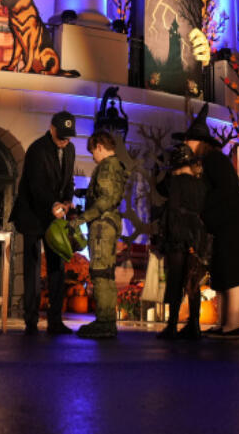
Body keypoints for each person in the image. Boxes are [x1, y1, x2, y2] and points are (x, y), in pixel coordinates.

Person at [180, 106, 239, 338]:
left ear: (198, 141)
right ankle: (225, 323)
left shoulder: (213, 159)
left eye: (189, 141)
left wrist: (205, 211)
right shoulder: (210, 160)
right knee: (224, 270)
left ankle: (232, 325)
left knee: (234, 270)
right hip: (231, 218)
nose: (186, 145)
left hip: (237, 219)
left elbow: (225, 190)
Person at [12, 111, 77, 335]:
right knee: (32, 268)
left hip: (55, 216)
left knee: (57, 267)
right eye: (61, 136)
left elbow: (69, 179)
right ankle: (31, 320)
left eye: (68, 137)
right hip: (32, 215)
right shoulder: (37, 149)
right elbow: (35, 186)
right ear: (51, 129)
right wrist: (53, 204)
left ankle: (55, 320)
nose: (64, 141)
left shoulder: (70, 149)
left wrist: (68, 201)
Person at [76, 131, 131, 339]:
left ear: (99, 146)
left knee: (100, 273)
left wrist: (82, 218)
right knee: (106, 273)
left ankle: (104, 322)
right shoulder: (116, 166)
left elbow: (106, 199)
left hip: (102, 227)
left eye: (92, 152)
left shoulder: (107, 167)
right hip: (109, 224)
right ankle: (107, 321)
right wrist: (85, 194)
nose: (92, 157)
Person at [154, 142, 209, 340]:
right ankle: (194, 325)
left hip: (177, 238)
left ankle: (172, 325)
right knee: (193, 282)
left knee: (175, 281)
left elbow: (172, 210)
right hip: (197, 238)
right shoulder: (201, 185)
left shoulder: (175, 183)